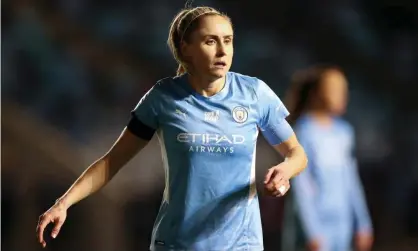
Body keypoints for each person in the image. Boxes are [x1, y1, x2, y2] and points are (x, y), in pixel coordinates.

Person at [36, 6, 307, 251]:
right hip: (179, 243)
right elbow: (110, 163)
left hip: (242, 244)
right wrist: (64, 203)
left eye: (228, 40)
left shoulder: (254, 93)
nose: (223, 51)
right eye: (210, 41)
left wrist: (284, 171)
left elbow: (297, 153)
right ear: (185, 47)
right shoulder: (162, 98)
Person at [282, 65, 374, 251]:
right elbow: (302, 186)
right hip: (315, 229)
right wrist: (312, 231)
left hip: (342, 223)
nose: (343, 95)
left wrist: (363, 223)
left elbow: (351, 181)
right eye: (335, 89)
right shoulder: (302, 132)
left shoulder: (344, 132)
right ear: (316, 93)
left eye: (344, 90)